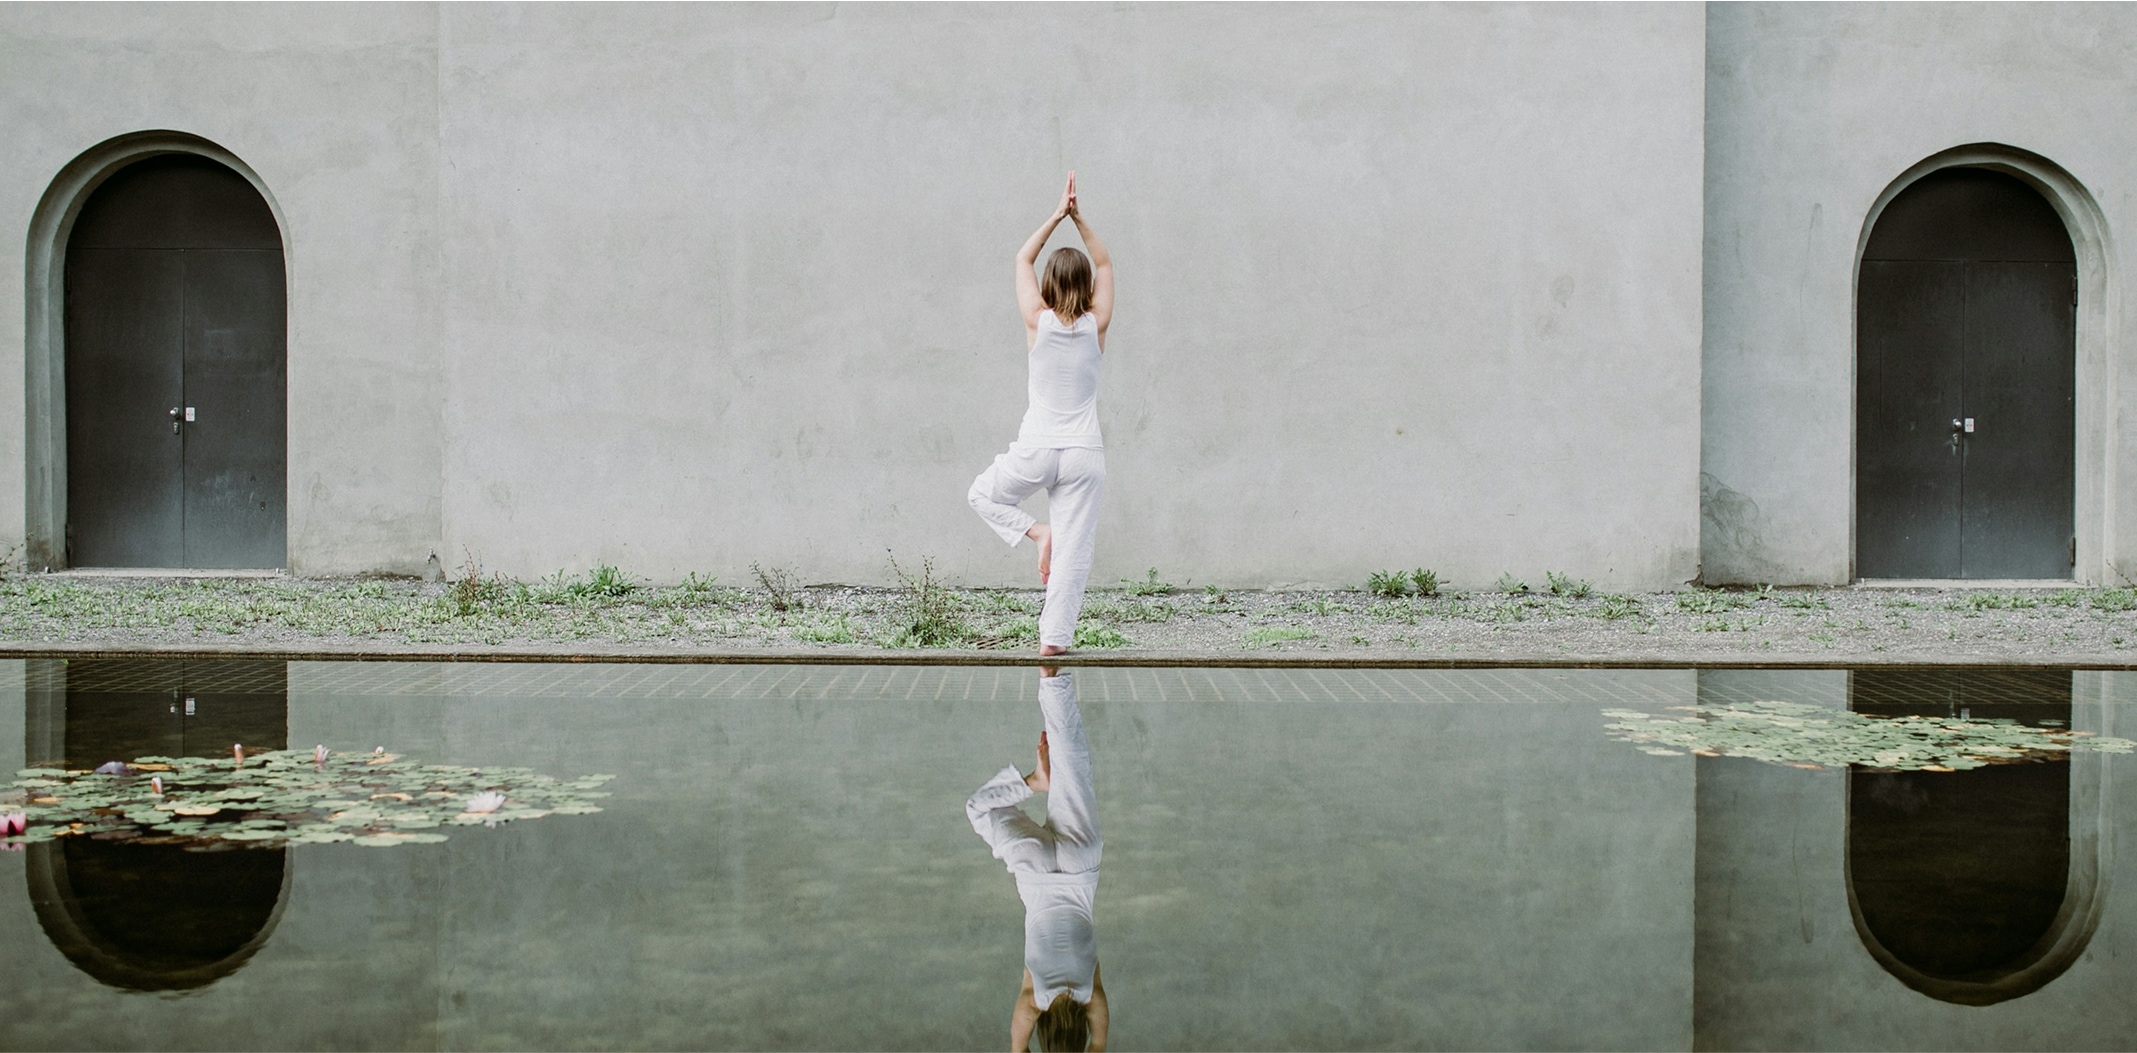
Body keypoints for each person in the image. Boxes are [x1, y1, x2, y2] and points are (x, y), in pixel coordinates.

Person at [967, 173, 1115, 656]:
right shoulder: (1097, 326)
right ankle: (1053, 644)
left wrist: (1057, 216)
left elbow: (1022, 258)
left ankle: (1036, 532)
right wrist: (1081, 218)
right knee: (1073, 556)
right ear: (1087, 287)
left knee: (981, 494)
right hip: (1083, 455)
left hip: (1037, 448)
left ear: (1049, 286)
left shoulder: (1038, 321)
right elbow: (1105, 260)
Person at [965, 667, 1110, 1052]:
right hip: (1037, 875)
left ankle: (1053, 678)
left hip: (1080, 871)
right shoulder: (1035, 998)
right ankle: (1032, 782)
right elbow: (1017, 1050)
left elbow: (1100, 1045)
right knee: (979, 809)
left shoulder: (1088, 993)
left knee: (1074, 767)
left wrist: (1094, 1046)